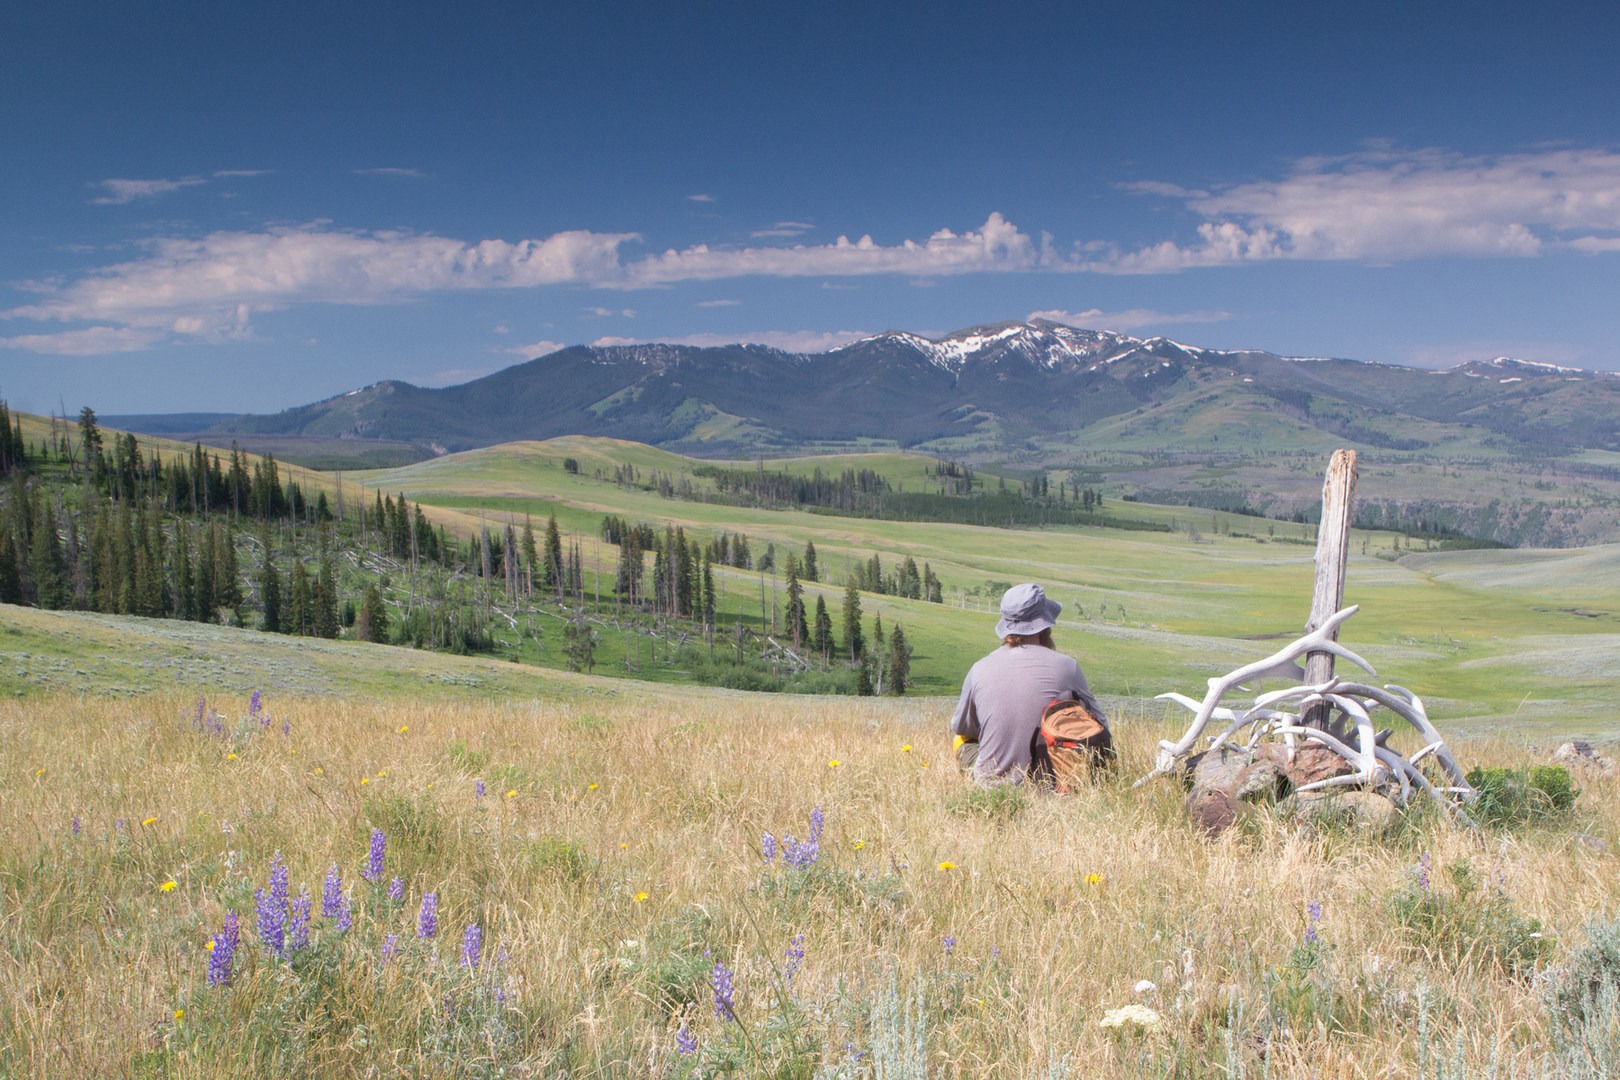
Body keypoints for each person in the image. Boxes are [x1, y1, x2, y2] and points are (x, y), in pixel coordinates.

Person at [950, 582, 1105, 783]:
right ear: (1045, 626)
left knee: (960, 740)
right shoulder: (1068, 667)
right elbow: (1100, 725)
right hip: (1052, 781)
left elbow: (963, 728)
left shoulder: (979, 668)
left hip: (993, 786)